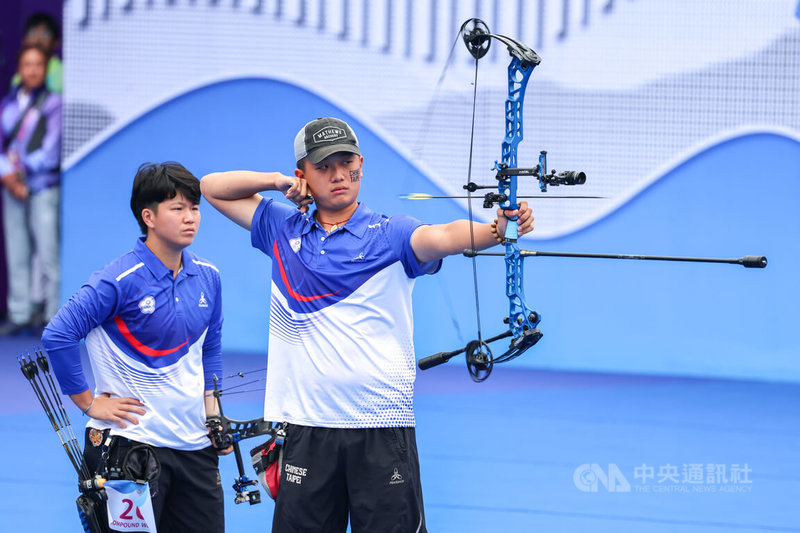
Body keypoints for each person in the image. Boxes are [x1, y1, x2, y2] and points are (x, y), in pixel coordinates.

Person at [200, 117, 534, 533]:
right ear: (304, 176)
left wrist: (496, 230)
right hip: (306, 427)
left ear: (361, 163)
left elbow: (444, 236)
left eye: (347, 163)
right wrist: (275, 181)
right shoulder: (281, 227)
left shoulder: (390, 233)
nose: (339, 175)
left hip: (381, 426)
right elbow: (211, 187)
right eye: (324, 167)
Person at [41, 162, 230, 532]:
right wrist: (89, 402)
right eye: (178, 208)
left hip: (195, 446)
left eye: (194, 207)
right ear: (149, 217)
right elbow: (58, 334)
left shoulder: (209, 276)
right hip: (130, 448)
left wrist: (214, 412)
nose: (191, 217)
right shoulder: (117, 280)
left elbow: (212, 347)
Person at [0, 43, 62, 335]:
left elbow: (50, 152)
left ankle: (52, 314)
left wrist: (20, 172)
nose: (33, 70)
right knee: (17, 251)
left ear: (46, 69)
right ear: (19, 70)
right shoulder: (8, 104)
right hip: (11, 187)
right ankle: (20, 313)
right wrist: (9, 177)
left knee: (48, 252)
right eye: (27, 64)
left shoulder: (54, 103)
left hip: (42, 187)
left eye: (38, 64)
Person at [11, 12, 63, 94]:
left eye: (45, 34)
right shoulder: (17, 78)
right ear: (24, 40)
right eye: (32, 33)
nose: (38, 39)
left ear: (56, 42)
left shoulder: (64, 74)